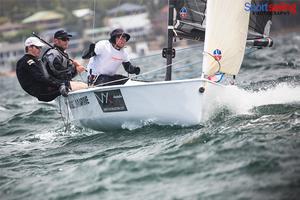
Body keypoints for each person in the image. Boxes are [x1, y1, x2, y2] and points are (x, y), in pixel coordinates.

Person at [16, 37, 68, 102]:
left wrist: (60, 82)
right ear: (29, 47)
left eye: (40, 47)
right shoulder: (27, 61)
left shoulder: (35, 60)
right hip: (44, 93)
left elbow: (46, 76)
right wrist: (60, 84)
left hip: (47, 90)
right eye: (37, 47)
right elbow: (40, 78)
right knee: (70, 85)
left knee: (68, 83)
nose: (40, 50)